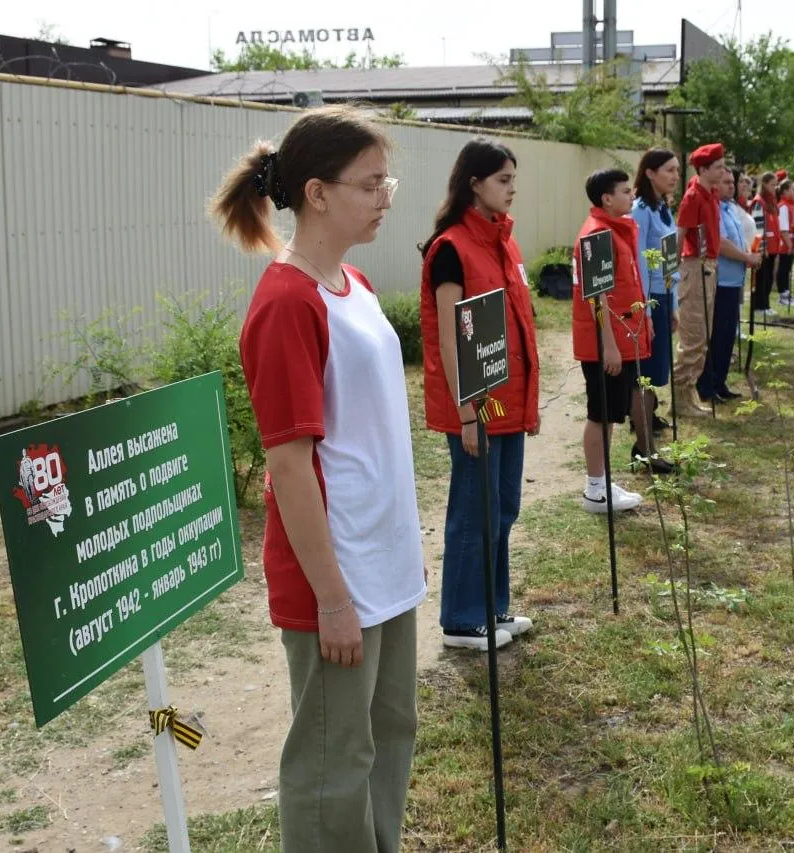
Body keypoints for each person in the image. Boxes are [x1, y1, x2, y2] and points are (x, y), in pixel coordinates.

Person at [217, 104, 426, 853]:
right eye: (369, 184)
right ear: (317, 193)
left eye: (385, 181)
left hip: (386, 564)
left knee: (386, 734)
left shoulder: (354, 284)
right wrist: (332, 598)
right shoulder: (285, 303)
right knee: (331, 762)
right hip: (336, 578)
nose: (384, 197)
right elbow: (288, 465)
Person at [419, 138, 540, 651]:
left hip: (508, 399)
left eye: (514, 179)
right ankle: (462, 621)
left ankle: (493, 608)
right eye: (503, 180)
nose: (513, 189)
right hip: (477, 407)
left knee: (503, 508)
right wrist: (468, 414)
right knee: (474, 510)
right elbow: (449, 339)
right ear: (474, 183)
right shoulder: (451, 248)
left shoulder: (502, 242)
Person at [572, 169, 654, 511]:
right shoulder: (597, 235)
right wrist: (609, 344)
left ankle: (603, 481)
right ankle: (595, 488)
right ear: (607, 198)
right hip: (606, 344)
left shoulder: (616, 230)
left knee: (609, 414)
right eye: (625, 191)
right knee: (600, 413)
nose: (631, 197)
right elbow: (597, 297)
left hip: (620, 338)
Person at [631, 147, 681, 449]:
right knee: (646, 377)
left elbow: (670, 259)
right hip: (649, 300)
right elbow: (638, 262)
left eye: (677, 170)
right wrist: (647, 311)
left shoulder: (662, 208)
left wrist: (673, 304)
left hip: (664, 298)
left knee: (656, 375)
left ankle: (648, 439)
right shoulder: (641, 210)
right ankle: (643, 445)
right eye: (669, 170)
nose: (676, 176)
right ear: (650, 173)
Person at [673, 143, 726, 417]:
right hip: (694, 267)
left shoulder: (712, 193)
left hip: (710, 265)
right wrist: (671, 272)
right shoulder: (693, 196)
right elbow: (680, 235)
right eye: (718, 167)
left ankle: (689, 391)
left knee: (703, 335)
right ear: (704, 169)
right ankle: (680, 395)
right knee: (693, 333)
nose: (723, 170)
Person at [699, 169, 760, 403]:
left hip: (735, 281)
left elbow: (741, 240)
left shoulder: (731, 209)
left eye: (732, 182)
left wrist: (752, 255)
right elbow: (721, 243)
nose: (731, 186)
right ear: (715, 185)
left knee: (727, 337)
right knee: (716, 336)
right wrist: (747, 258)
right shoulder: (714, 209)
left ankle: (720, 382)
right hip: (720, 281)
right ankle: (707, 386)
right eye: (726, 183)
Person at [752, 172, 783, 318]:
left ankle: (766, 304)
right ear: (764, 184)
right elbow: (757, 227)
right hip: (764, 248)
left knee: (769, 277)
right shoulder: (759, 201)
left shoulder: (772, 201)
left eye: (776, 184)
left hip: (773, 247)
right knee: (762, 278)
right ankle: (759, 305)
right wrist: (760, 248)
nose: (775, 187)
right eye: (772, 184)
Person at [776, 179, 794, 308]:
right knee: (784, 269)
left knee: (787, 269)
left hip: (791, 243)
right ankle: (783, 295)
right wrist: (790, 244)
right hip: (787, 244)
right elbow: (783, 228)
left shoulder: (791, 205)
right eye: (792, 189)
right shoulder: (784, 207)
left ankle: (787, 293)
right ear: (785, 191)